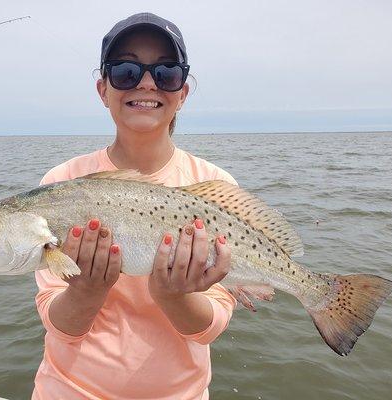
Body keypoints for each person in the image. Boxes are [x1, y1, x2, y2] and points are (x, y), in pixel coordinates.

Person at [32, 12, 238, 400]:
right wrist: (85, 292)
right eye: (126, 71)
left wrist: (173, 295)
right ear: (103, 89)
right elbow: (59, 325)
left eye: (167, 73)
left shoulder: (217, 185)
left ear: (183, 93)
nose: (146, 83)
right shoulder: (60, 184)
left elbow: (210, 328)